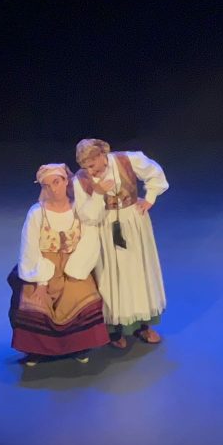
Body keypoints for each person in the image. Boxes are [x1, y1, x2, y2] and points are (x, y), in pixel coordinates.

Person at [8, 163, 110, 366]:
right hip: (44, 265)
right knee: (36, 302)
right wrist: (41, 281)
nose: (53, 189)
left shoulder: (79, 209)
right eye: (47, 185)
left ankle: (78, 346)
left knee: (79, 297)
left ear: (65, 181)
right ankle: (38, 349)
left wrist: (77, 269)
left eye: (56, 182)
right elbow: (29, 248)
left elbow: (89, 239)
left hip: (74, 264)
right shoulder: (37, 213)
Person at [73, 139, 167, 348]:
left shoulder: (127, 160)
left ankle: (143, 324)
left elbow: (154, 172)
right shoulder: (81, 179)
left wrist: (150, 198)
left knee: (138, 272)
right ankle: (114, 330)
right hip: (105, 228)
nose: (90, 171)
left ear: (101, 156)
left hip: (133, 222)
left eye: (92, 165)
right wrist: (98, 194)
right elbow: (87, 216)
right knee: (111, 277)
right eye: (85, 167)